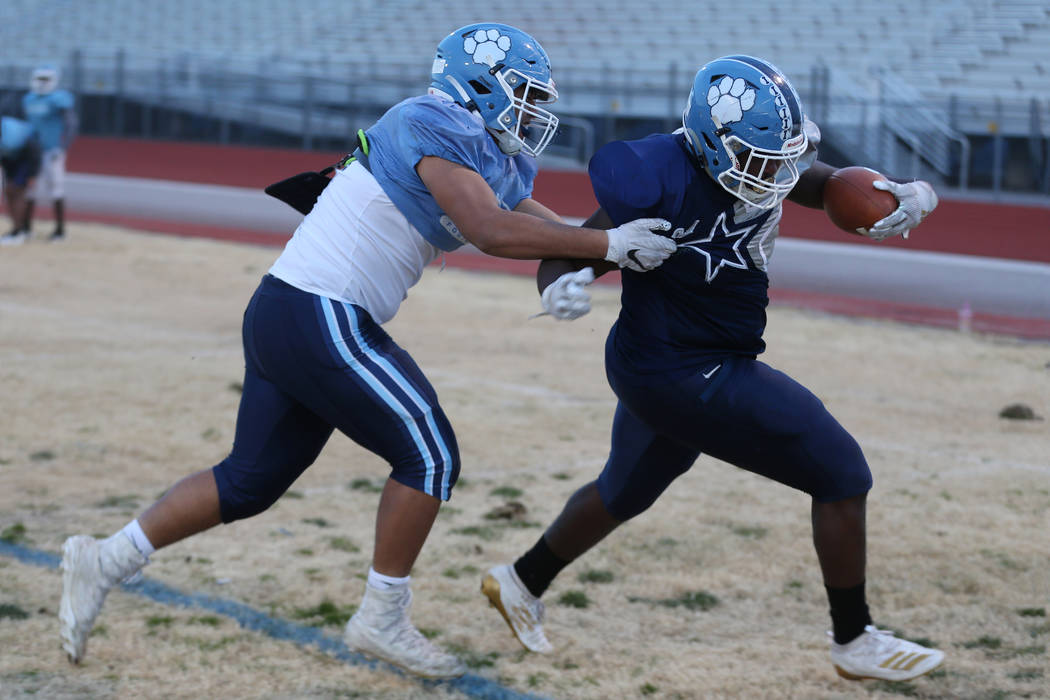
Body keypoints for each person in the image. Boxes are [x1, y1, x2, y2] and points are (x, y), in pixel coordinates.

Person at [57, 23, 675, 679]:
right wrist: (607, 247)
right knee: (429, 453)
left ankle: (106, 558)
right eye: (522, 93)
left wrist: (578, 269)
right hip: (317, 308)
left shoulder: (494, 150)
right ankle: (381, 616)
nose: (531, 111)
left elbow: (536, 226)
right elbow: (489, 229)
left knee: (249, 480)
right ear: (480, 85)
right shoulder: (431, 119)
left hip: (294, 309)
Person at [481, 55, 945, 683]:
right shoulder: (657, 177)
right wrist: (560, 285)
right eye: (759, 162)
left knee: (627, 489)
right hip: (681, 367)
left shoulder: (764, 162)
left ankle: (521, 580)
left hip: (670, 359)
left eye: (780, 157)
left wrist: (897, 193)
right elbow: (574, 248)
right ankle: (854, 639)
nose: (774, 175)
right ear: (708, 143)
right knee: (841, 471)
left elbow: (815, 180)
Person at [22, 65, 77, 241]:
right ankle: (25, 227)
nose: (42, 83)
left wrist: (63, 147)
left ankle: (60, 230)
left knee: (56, 188)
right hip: (32, 152)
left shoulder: (59, 99)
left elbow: (71, 124)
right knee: (28, 189)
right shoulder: (28, 98)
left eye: (46, 79)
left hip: (51, 150)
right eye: (40, 78)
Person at [0, 115, 42, 246]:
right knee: (10, 192)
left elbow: (33, 150)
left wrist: (33, 175)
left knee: (17, 192)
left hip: (25, 159)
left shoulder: (12, 134)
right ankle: (18, 229)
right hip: (13, 160)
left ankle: (19, 231)